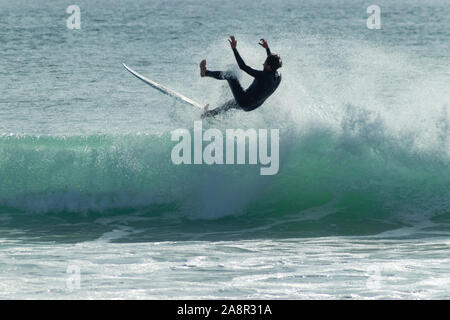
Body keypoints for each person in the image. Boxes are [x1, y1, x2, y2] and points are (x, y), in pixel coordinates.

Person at [200, 36, 282, 118]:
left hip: (244, 101)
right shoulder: (278, 76)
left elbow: (243, 66)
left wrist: (234, 49)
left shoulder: (263, 76)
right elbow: (272, 63)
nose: (263, 64)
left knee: (230, 75)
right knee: (230, 104)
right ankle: (209, 114)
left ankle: (205, 73)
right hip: (254, 106)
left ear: (269, 67)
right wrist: (267, 49)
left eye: (265, 62)